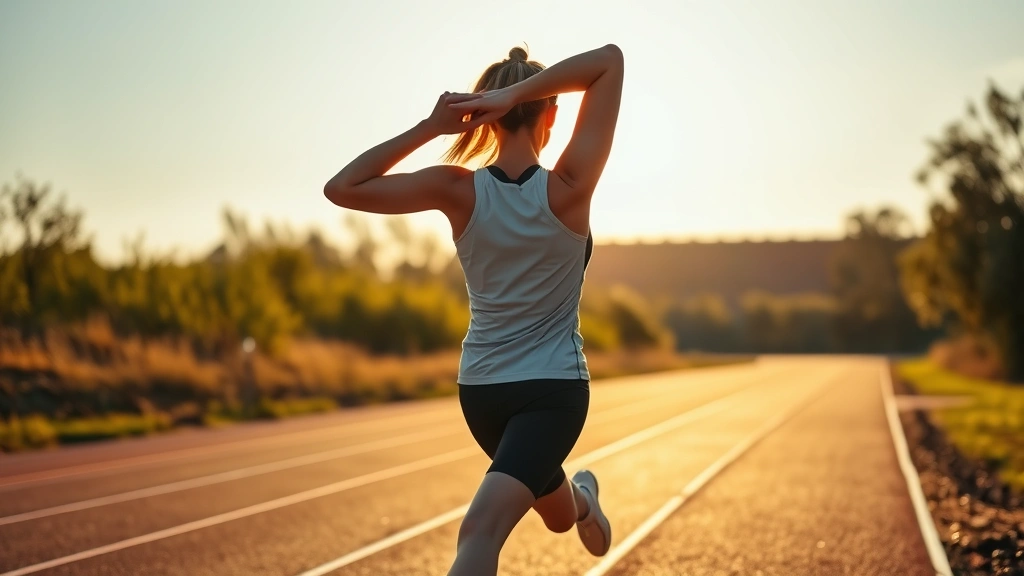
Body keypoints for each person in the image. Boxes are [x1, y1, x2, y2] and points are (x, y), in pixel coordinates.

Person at [324, 43, 624, 576]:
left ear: (486, 119)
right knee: (551, 515)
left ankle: (577, 498)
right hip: (513, 392)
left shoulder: (457, 189)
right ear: (551, 114)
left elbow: (343, 187)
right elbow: (609, 62)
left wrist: (430, 127)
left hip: (514, 395)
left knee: (479, 529)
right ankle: (581, 501)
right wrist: (514, 95)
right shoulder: (569, 187)